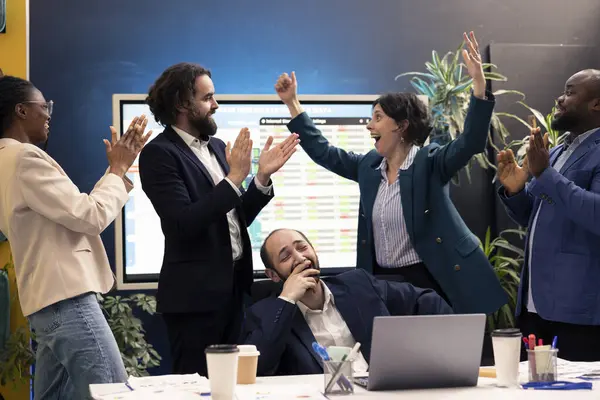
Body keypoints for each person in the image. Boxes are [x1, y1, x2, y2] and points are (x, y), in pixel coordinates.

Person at [273, 32, 506, 315]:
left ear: (402, 125)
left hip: (431, 279)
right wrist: (292, 104)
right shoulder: (369, 168)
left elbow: (470, 141)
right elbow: (325, 152)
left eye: (378, 117)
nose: (370, 126)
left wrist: (479, 86)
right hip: (383, 283)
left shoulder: (431, 162)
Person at [139, 63, 299, 376]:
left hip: (234, 294)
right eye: (207, 98)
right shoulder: (159, 154)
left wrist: (261, 178)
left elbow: (231, 221)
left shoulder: (215, 147)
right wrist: (235, 177)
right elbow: (182, 224)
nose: (216, 105)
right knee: (199, 388)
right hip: (194, 302)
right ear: (182, 104)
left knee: (236, 385)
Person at [0, 75, 151, 399]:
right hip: (66, 300)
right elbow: (90, 216)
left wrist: (116, 173)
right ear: (21, 111)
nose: (49, 114)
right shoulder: (26, 158)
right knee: (111, 392)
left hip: (45, 305)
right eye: (44, 106)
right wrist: (118, 170)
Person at [242, 228, 453, 376]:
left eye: (302, 247)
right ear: (273, 275)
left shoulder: (358, 284)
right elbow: (259, 366)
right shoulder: (264, 314)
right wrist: (287, 300)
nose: (299, 258)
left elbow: (426, 301)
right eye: (285, 256)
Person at [497, 69, 600, 361]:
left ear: (597, 104)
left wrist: (546, 175)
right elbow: (536, 218)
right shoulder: (554, 153)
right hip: (534, 308)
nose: (559, 98)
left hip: (578, 313)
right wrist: (516, 192)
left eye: (570, 92)